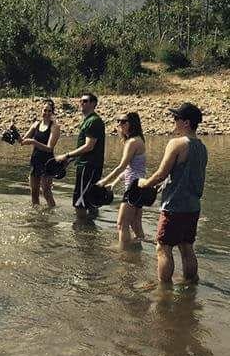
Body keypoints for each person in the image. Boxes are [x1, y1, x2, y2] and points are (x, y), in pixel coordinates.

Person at [138, 102, 207, 283]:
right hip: (193, 207)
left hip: (174, 206)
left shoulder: (176, 143)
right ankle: (191, 285)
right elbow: (187, 175)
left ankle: (164, 291)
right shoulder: (202, 147)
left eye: (176, 118)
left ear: (186, 122)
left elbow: (161, 173)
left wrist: (144, 183)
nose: (173, 121)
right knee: (186, 247)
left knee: (163, 247)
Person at [96, 112, 146, 248]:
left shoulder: (132, 142)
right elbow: (130, 168)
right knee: (135, 225)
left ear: (132, 124)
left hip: (134, 188)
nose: (119, 125)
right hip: (139, 187)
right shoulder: (138, 140)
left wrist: (104, 181)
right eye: (118, 121)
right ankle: (137, 255)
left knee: (121, 224)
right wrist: (114, 183)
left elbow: (122, 166)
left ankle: (124, 257)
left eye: (123, 122)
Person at [54, 93, 105, 218]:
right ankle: (90, 231)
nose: (81, 103)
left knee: (80, 202)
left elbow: (89, 146)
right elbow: (85, 148)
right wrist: (71, 159)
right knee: (91, 200)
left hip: (88, 167)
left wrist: (66, 155)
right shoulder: (88, 120)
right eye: (80, 101)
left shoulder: (93, 121)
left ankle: (80, 233)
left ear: (93, 103)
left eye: (85, 101)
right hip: (87, 165)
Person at [20, 99, 61, 207]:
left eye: (49, 111)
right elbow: (23, 141)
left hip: (47, 162)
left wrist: (33, 142)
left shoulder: (54, 127)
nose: (46, 113)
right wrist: (13, 133)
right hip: (35, 161)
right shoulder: (36, 124)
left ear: (52, 113)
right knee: (34, 193)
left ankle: (52, 214)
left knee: (46, 193)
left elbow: (49, 148)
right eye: (45, 110)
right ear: (41, 111)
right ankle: (36, 218)